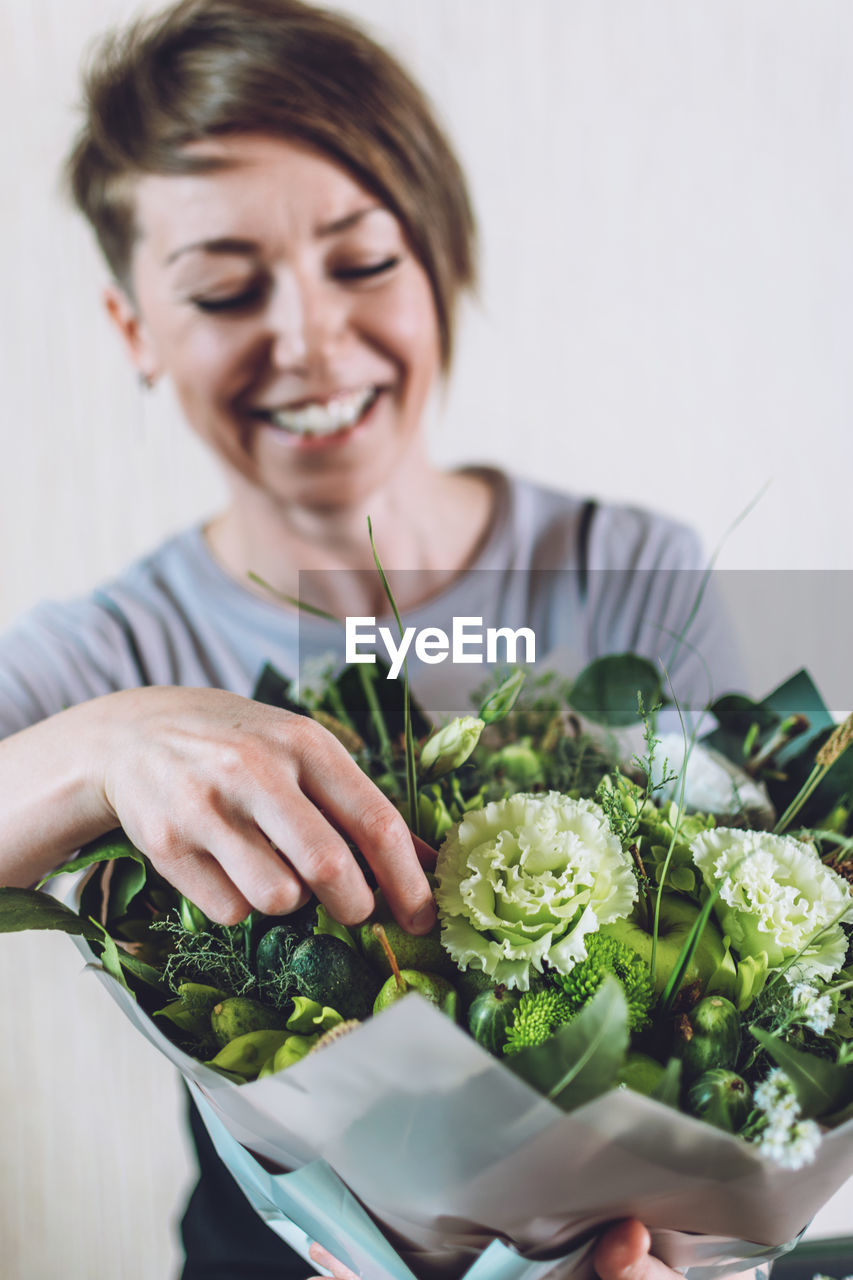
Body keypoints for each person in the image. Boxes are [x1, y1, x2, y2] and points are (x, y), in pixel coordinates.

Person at [0, 1, 744, 1276]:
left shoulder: (630, 574)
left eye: (362, 262)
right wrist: (99, 744)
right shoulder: (115, 648)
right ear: (134, 328)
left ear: (440, 252)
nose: (311, 340)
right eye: (227, 288)